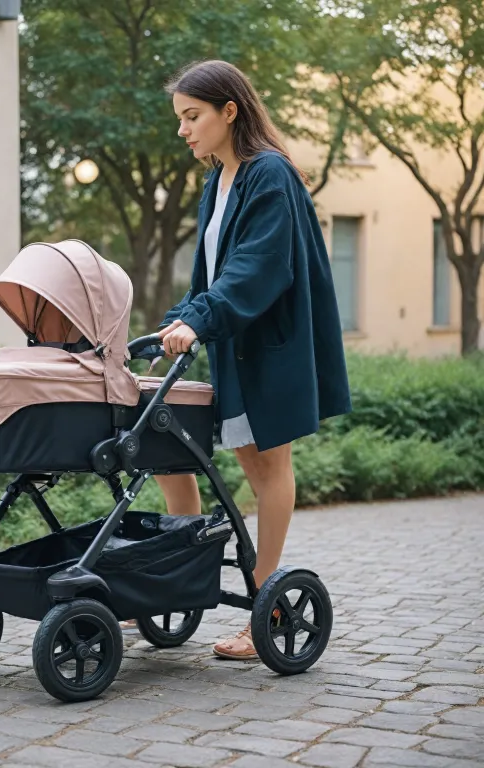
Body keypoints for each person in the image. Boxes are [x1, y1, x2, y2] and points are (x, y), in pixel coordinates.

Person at [154, 60, 351, 659]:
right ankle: (184, 585)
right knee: (229, 464)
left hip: (272, 346)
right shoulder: (217, 183)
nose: (184, 131)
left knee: (268, 468)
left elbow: (259, 268)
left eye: (192, 117)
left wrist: (202, 319)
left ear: (228, 111)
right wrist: (176, 319)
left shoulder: (271, 174)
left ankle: (262, 609)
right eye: (180, 119)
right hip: (235, 345)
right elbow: (209, 274)